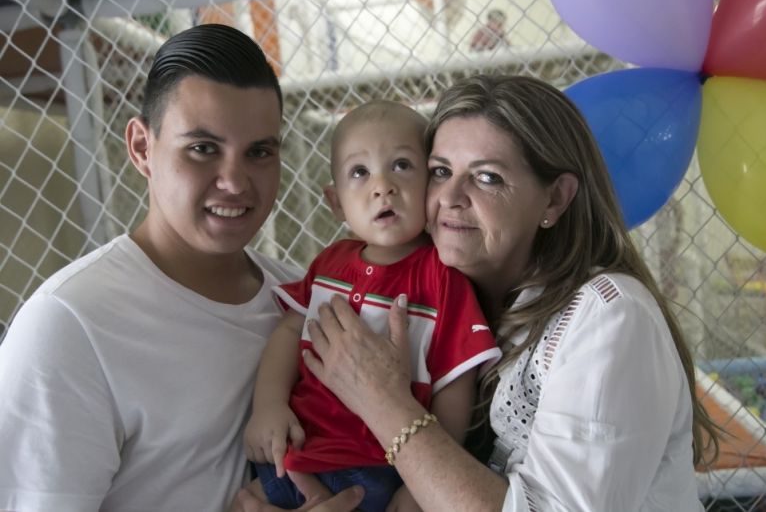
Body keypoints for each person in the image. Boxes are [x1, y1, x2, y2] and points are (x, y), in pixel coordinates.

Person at [237, 74, 720, 512]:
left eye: (487, 177)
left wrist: (385, 403)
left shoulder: (607, 315)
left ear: (554, 198)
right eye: (442, 171)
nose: (449, 197)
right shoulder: (450, 296)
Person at [0, 23, 363, 512]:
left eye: (259, 152)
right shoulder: (69, 324)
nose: (235, 182)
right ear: (142, 148)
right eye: (203, 149)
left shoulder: (297, 297)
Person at [243, 101, 501, 512]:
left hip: (382, 466)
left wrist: (420, 487)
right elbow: (290, 332)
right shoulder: (329, 263)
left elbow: (455, 385)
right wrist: (268, 405)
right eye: (360, 172)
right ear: (337, 202)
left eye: (401, 165)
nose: (382, 186)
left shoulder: (443, 276)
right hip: (297, 453)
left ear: (433, 184)